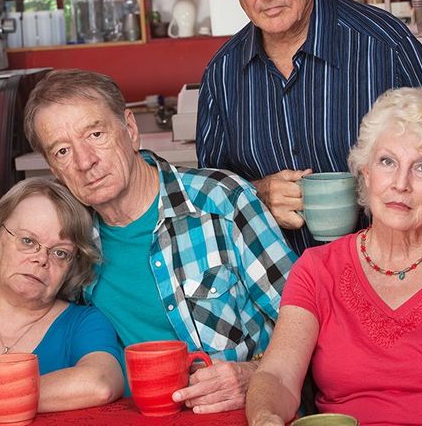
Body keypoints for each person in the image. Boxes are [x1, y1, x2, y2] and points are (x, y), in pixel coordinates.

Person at [23, 69, 298, 414]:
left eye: (95, 134)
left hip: (239, 414)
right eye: (62, 151)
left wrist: (254, 374)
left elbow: (309, 321)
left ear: (131, 129)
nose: (85, 161)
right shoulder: (68, 244)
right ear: (52, 167)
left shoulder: (220, 201)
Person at [196, 0, 422, 254]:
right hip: (278, 295)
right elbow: (207, 204)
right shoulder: (221, 76)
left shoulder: (384, 46)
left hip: (395, 285)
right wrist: (256, 195)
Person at [245, 88, 422, 426]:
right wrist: (265, 417)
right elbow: (276, 376)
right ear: (365, 172)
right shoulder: (317, 268)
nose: (400, 184)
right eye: (387, 162)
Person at [0, 178, 123, 421]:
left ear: (72, 268)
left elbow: (102, 382)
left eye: (60, 253)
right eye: (27, 241)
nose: (41, 259)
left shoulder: (83, 322)